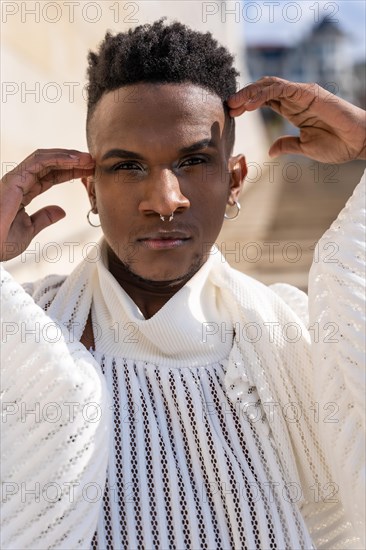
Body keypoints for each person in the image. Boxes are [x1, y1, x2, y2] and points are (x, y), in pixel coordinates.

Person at [1, 19, 365, 550]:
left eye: (193, 161)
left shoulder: (300, 342)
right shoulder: (28, 333)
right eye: (127, 166)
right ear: (91, 189)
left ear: (235, 179)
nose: (164, 199)